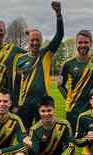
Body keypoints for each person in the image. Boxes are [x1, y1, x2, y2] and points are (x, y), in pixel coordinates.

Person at [15, 1, 64, 129]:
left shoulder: (46, 54)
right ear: (28, 41)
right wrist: (15, 104)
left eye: (38, 40)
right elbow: (16, 83)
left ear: (41, 41)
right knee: (24, 133)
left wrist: (58, 15)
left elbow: (59, 36)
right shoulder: (20, 59)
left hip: (43, 102)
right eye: (32, 40)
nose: (35, 42)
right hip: (25, 103)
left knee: (42, 133)